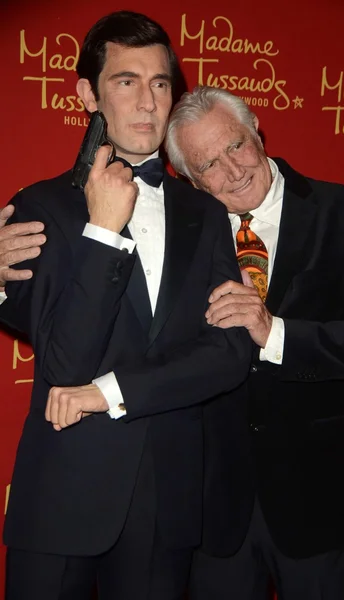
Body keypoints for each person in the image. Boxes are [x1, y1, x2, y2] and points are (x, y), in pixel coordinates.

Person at [0, 17, 253, 600]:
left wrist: (112, 392)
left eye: (160, 84)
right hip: (63, 491)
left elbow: (226, 354)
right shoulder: (38, 207)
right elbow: (66, 365)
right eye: (126, 82)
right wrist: (104, 232)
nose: (147, 103)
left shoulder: (206, 214)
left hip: (168, 497)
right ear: (88, 94)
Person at [163, 86, 344, 600]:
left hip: (319, 497)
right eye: (210, 165)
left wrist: (276, 334)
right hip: (213, 507)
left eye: (237, 146)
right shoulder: (176, 237)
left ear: (257, 131)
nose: (234, 170)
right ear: (190, 180)